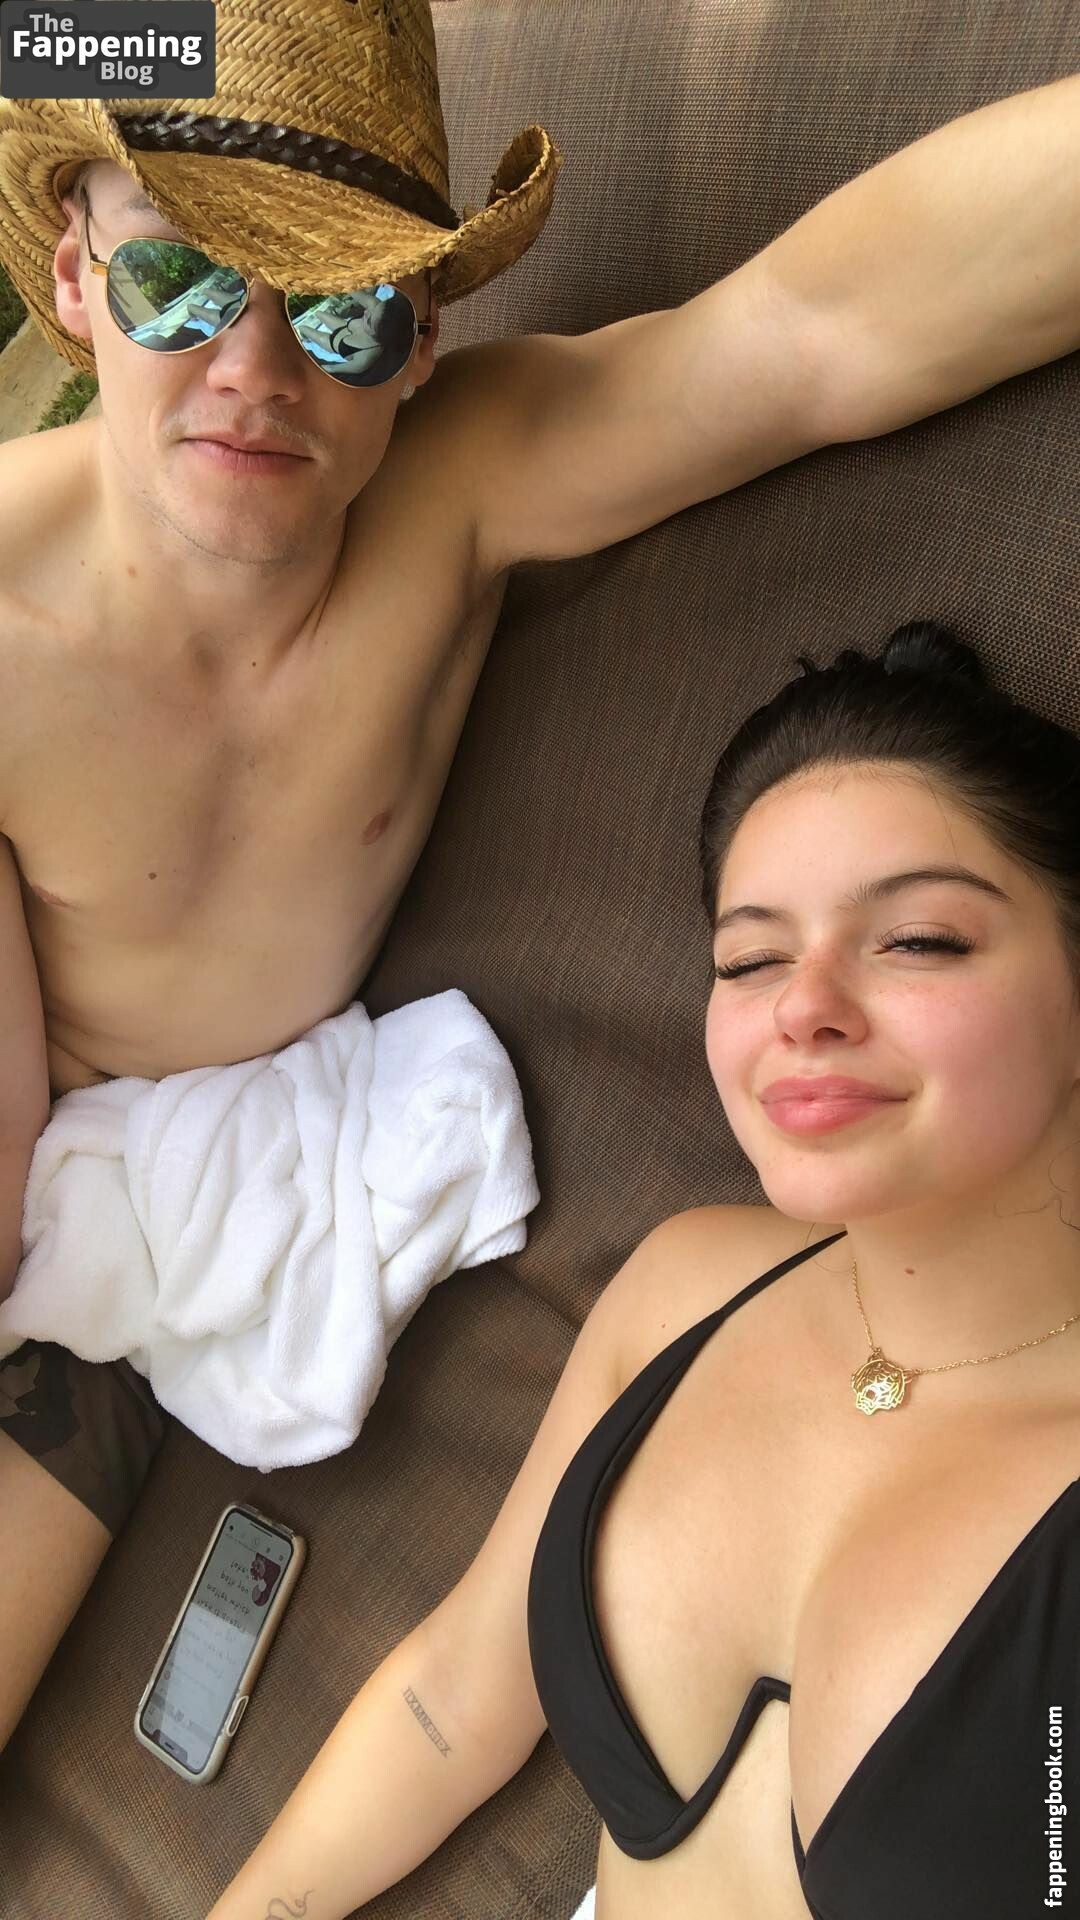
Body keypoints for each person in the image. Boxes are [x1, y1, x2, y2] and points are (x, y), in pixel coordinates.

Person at [0, 0, 1078, 1757]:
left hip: (135, 1250)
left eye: (342, 309)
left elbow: (814, 337)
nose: (257, 373)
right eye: (181, 280)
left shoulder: (461, 485)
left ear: (423, 340)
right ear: (74, 278)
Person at [206, 620, 1080, 1918]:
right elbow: (449, 1700)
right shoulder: (686, 1287)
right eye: (751, 959)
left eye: (916, 941)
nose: (802, 1006)